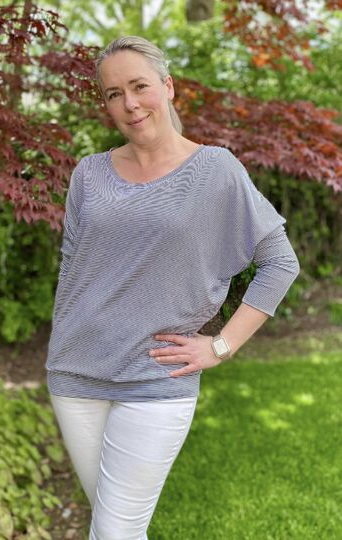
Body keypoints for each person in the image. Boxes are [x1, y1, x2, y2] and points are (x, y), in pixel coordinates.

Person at [45, 35, 300, 539]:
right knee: (115, 527)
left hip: (155, 381)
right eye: (114, 93)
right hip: (74, 377)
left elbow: (280, 262)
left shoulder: (215, 169)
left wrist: (222, 345)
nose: (129, 103)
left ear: (168, 87)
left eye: (139, 86)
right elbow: (72, 266)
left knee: (114, 533)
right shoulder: (88, 174)